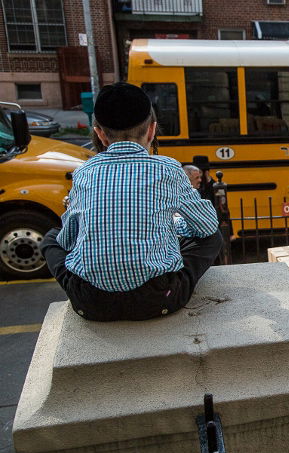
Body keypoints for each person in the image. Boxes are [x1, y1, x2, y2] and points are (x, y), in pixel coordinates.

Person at [41, 82, 222, 322]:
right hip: (159, 299)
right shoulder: (168, 169)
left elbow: (69, 239)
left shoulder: (84, 172)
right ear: (152, 130)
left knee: (51, 239)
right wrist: (175, 228)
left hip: (91, 303)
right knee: (213, 238)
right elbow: (207, 227)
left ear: (100, 134)